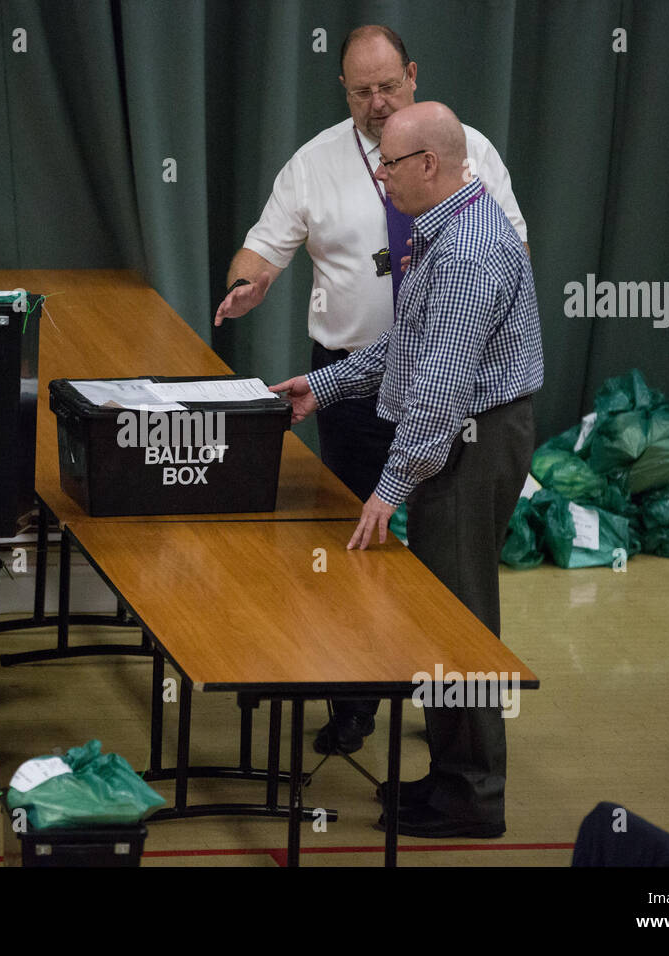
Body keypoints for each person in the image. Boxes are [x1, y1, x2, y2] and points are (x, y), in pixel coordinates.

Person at [216, 25, 528, 756]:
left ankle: (460, 743)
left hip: (457, 396)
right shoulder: (315, 164)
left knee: (454, 579)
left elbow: (496, 261)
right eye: (363, 92)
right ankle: (357, 702)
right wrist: (248, 281)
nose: (378, 102)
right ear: (345, 92)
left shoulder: (464, 158)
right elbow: (263, 249)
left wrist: (392, 486)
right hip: (354, 378)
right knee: (352, 560)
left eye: (389, 86)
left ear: (413, 79)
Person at [271, 102, 543, 838]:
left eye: (388, 162)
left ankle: (474, 798)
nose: (379, 174)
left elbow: (438, 392)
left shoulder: (466, 252)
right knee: (445, 617)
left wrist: (391, 488)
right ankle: (450, 778)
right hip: (465, 433)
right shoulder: (450, 228)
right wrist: (319, 386)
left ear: (428, 164)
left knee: (461, 622)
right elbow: (406, 349)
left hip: (472, 441)